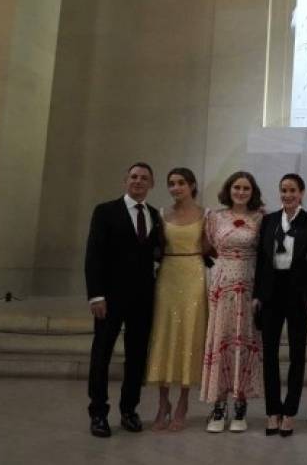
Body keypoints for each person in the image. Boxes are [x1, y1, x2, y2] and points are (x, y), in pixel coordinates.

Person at [85, 162, 163, 438]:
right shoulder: (106, 211)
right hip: (110, 298)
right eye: (133, 177)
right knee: (102, 355)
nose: (138, 181)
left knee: (137, 357)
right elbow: (93, 255)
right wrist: (96, 295)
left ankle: (129, 409)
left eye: (144, 178)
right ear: (125, 180)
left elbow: (158, 254)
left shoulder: (154, 215)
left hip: (143, 299)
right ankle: (98, 413)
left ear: (151, 184)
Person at [254, 173, 307, 437]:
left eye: (292, 190)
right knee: (270, 354)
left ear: (302, 193)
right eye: (283, 190)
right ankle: (272, 411)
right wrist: (258, 294)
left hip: (299, 295)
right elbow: (262, 260)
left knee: (297, 354)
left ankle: (290, 411)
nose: (287, 195)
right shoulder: (270, 220)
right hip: (272, 293)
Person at [145, 168, 209, 432]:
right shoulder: (160, 214)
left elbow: (211, 247)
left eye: (181, 183)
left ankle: (183, 401)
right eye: (171, 183)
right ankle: (163, 402)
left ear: (192, 185)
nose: (175, 188)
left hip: (194, 276)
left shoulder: (206, 214)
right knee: (164, 335)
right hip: (168, 277)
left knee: (189, 335)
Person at [201, 171, 264, 433]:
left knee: (244, 341)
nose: (240, 192)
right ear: (229, 189)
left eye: (246, 188)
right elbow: (207, 249)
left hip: (249, 284)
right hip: (223, 283)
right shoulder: (214, 217)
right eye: (237, 187)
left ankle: (240, 406)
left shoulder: (261, 217)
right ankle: (218, 407)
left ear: (252, 192)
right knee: (221, 340)